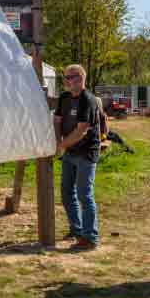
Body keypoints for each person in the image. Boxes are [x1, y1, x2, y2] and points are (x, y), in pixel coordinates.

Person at [54, 64, 101, 250]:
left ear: (80, 78)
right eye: (64, 77)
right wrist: (59, 142)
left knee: (84, 194)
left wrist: (61, 146)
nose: (66, 81)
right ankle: (77, 229)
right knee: (67, 192)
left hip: (86, 153)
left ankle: (90, 238)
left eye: (69, 77)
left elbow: (81, 131)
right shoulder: (64, 98)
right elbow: (57, 120)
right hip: (70, 152)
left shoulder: (87, 100)